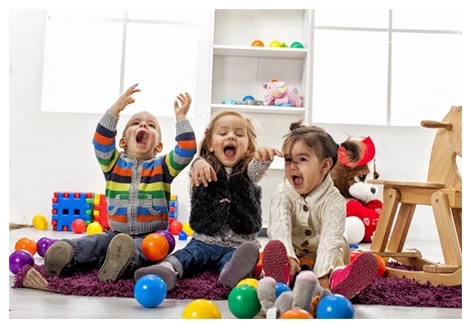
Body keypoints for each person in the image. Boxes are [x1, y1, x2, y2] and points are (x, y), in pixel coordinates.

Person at [44, 83, 197, 282]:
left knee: (145, 249)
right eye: (136, 123)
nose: (143, 126)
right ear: (123, 142)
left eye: (151, 125)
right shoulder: (112, 163)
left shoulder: (163, 166)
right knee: (96, 242)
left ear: (158, 146)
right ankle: (68, 252)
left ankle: (120, 263)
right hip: (115, 233)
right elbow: (100, 141)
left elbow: (187, 150)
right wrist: (115, 110)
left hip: (152, 236)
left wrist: (181, 118)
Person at [134, 110, 282, 290]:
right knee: (187, 255)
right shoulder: (203, 168)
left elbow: (255, 170)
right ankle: (165, 269)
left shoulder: (247, 172)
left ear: (248, 148)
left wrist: (262, 158)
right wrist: (198, 162)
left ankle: (231, 273)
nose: (231, 137)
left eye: (239, 134)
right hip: (204, 241)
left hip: (238, 245)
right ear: (211, 144)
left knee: (236, 260)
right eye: (223, 133)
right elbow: (195, 170)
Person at [262, 121, 378, 299]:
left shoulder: (334, 200)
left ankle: (339, 280)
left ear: (325, 166)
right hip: (294, 248)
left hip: (326, 251)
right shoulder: (282, 193)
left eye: (302, 159)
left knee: (335, 260)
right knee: (277, 249)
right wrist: (288, 254)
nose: (293, 166)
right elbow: (279, 226)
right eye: (288, 160)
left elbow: (330, 240)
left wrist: (322, 274)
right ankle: (282, 276)